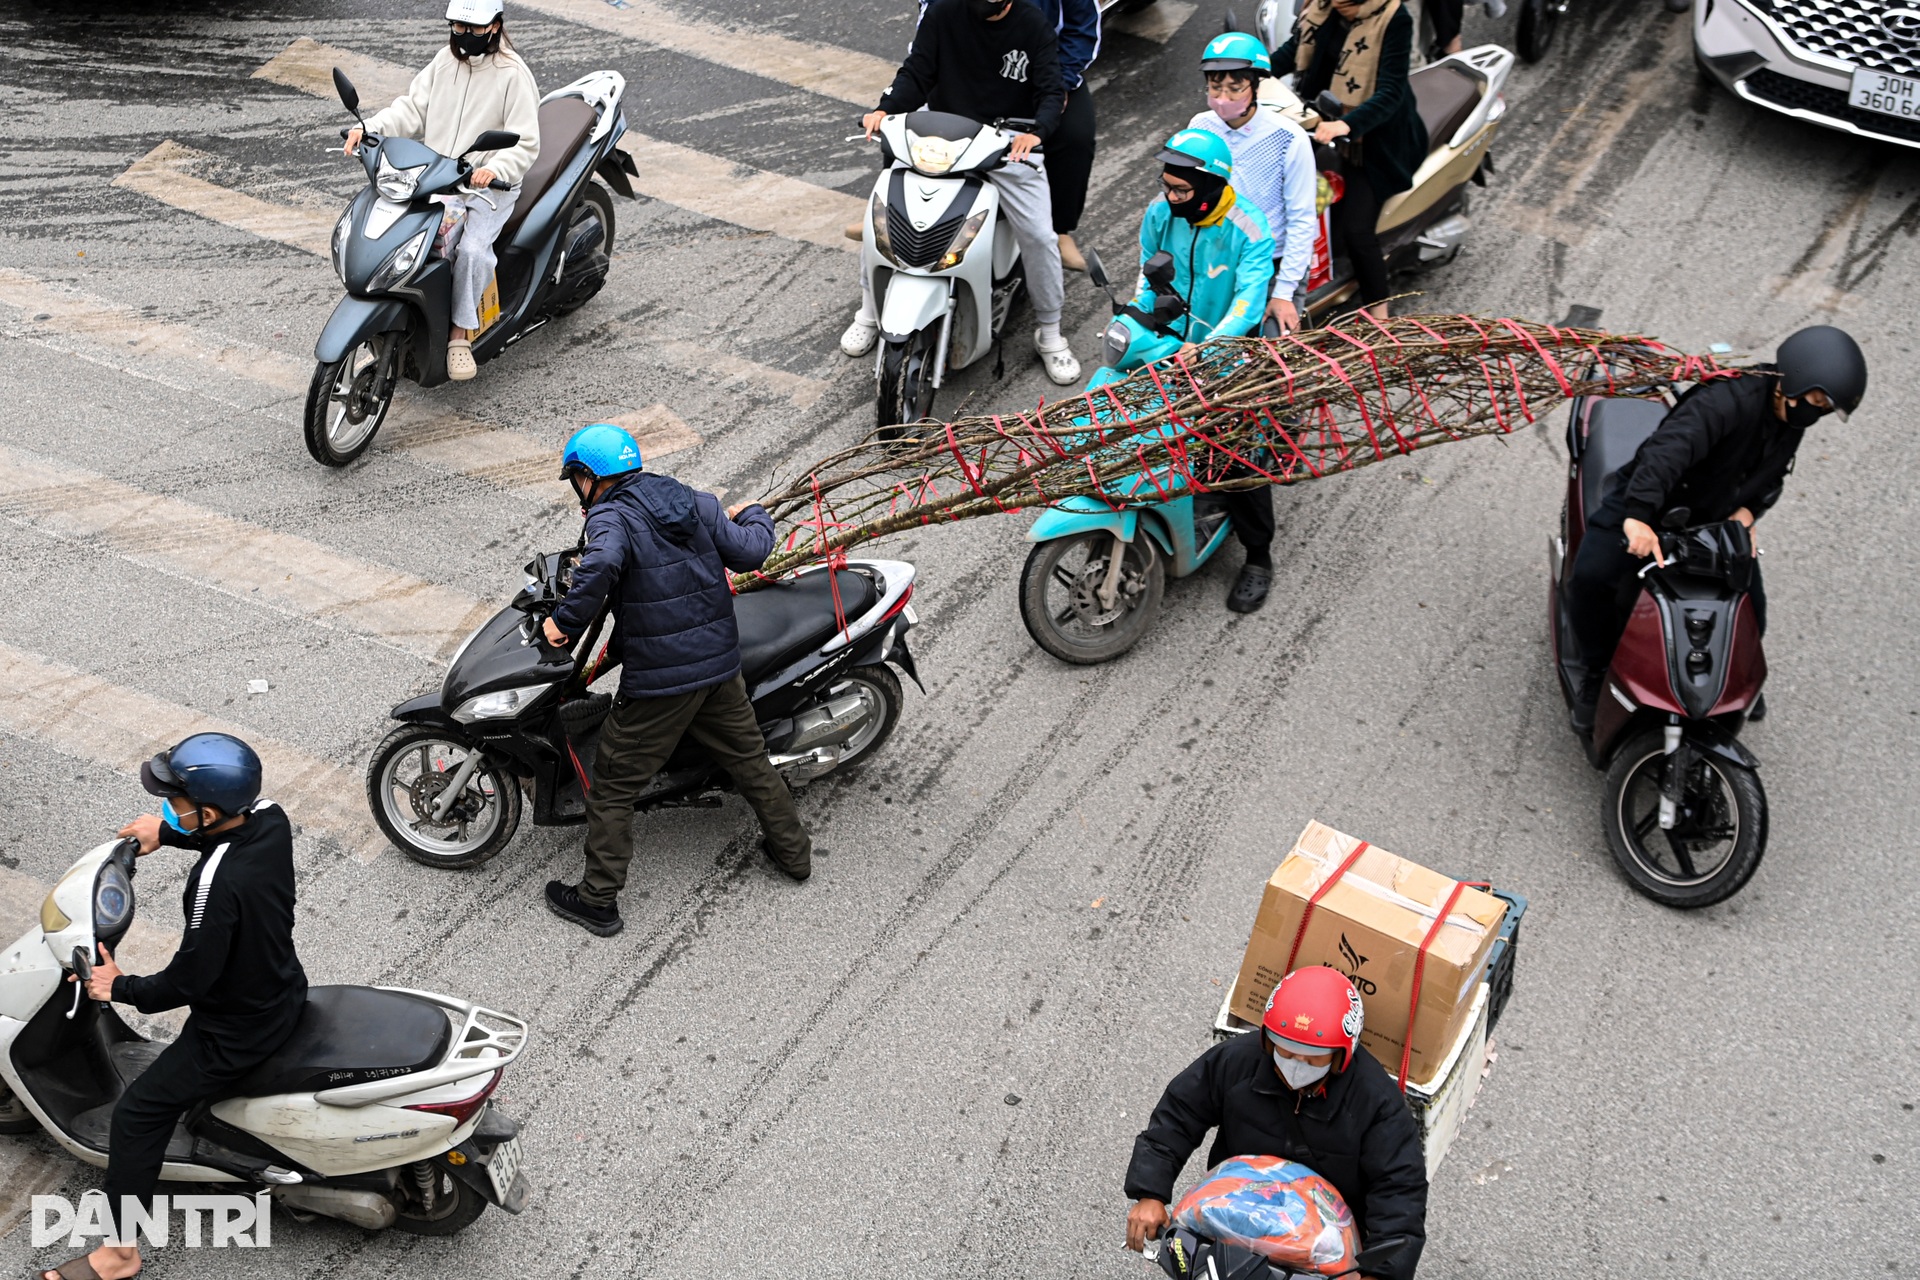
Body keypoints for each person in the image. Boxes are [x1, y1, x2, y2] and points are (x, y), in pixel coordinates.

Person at [40, 735, 306, 1280]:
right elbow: (230, 838)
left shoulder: (216, 884)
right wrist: (164, 832)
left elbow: (189, 979)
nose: (168, 807)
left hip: (234, 1029)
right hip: (281, 991)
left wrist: (118, 987)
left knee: (138, 1116)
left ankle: (118, 1255)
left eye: (176, 803)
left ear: (208, 812)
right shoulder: (270, 818)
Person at [541, 424, 813, 937]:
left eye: (576, 478)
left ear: (591, 476)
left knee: (612, 785)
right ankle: (794, 855)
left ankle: (597, 899)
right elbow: (752, 552)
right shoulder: (691, 499)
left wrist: (562, 625)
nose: (576, 489)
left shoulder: (610, 516)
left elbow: (599, 566)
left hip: (663, 684)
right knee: (750, 762)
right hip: (718, 667)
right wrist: (753, 513)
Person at [1565, 325, 1868, 734]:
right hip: (1652, 501)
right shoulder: (1725, 401)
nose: (1815, 412)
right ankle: (1596, 672)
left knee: (1750, 608)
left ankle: (1732, 682)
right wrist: (1637, 515)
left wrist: (1747, 513)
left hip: (1710, 517)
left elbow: (1771, 476)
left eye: (1824, 408)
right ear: (1793, 382)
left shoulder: (1791, 422)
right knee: (1592, 579)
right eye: (1815, 401)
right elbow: (1666, 453)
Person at [1123, 966, 1427, 1280]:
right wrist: (1151, 1192)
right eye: (1287, 1051)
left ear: (1342, 1054)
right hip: (1234, 1221)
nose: (1297, 1065)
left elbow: (1399, 1189)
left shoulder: (1376, 1101)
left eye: (1314, 1057)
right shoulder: (1236, 1061)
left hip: (1322, 1251)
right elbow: (1179, 1112)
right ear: (1267, 1040)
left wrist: (1381, 1273)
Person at [841, 0, 1081, 386]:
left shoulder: (1033, 25)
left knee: (1038, 235)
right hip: (942, 135)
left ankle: (1050, 331)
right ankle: (870, 309)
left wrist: (1037, 133)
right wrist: (885, 110)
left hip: (1004, 143)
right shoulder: (942, 13)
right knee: (882, 214)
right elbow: (916, 73)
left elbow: (1051, 92)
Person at [1100, 130, 1278, 614]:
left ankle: (1258, 556)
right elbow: (1145, 275)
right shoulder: (1161, 213)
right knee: (1114, 403)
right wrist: (1133, 320)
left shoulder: (1249, 228)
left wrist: (1213, 346)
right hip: (1169, 342)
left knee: (1235, 452)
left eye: (1181, 190)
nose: (1170, 198)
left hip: (1227, 352)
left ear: (1210, 185)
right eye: (1167, 187)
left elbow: (1248, 302)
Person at [346, 0, 539, 382]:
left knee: (470, 250)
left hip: (487, 188)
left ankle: (459, 335)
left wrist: (494, 168)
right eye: (458, 28)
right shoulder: (443, 62)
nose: (466, 37)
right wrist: (370, 128)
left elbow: (526, 142)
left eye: (476, 30)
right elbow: (412, 109)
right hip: (437, 176)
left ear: (496, 27)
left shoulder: (513, 74)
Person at [1276, 0, 1427, 320]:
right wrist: (1246, 72)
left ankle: (1380, 314)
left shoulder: (1394, 19)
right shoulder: (1325, 8)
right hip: (1323, 121)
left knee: (1356, 231)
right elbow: (1295, 48)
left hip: (1376, 141)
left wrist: (1348, 124)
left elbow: (1391, 91)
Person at [1186, 31, 1319, 337]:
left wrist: (1283, 293)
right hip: (1219, 261)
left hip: (1274, 265)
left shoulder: (1288, 138)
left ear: (1256, 86)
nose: (1223, 98)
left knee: (1275, 361)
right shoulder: (1200, 127)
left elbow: (1301, 218)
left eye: (1235, 88)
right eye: (1215, 87)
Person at [1031, 0, 1102, 272]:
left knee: (1075, 138)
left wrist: (1058, 84)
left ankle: (1059, 230)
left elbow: (1082, 29)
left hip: (1048, 72)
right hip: (974, 73)